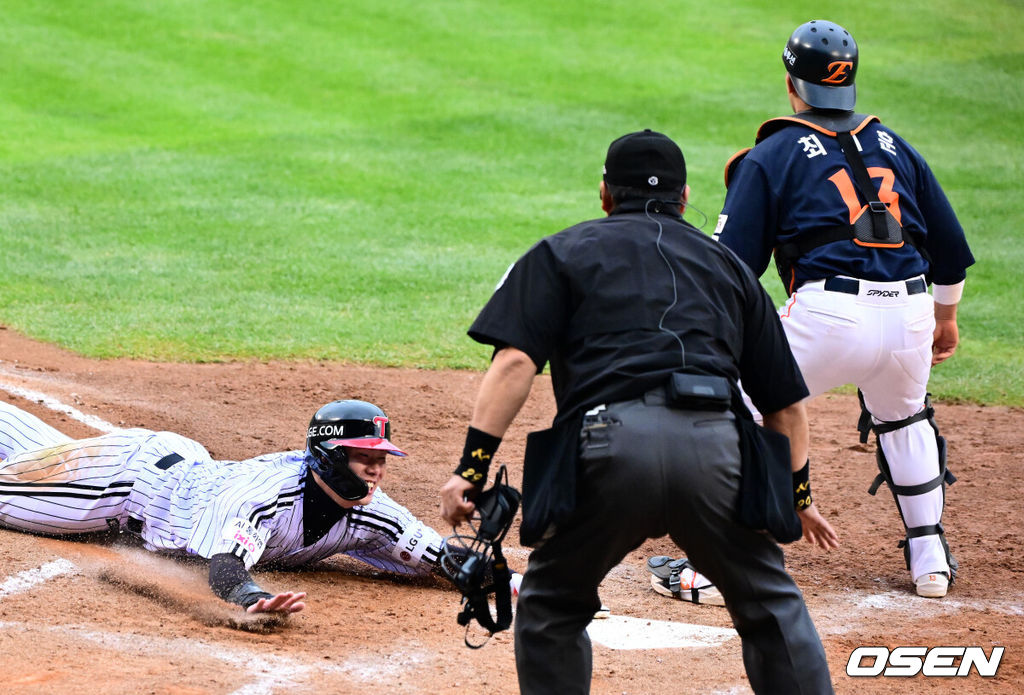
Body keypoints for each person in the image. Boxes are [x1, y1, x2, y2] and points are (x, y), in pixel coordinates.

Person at [440, 130, 837, 694]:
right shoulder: (730, 268)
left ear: (605, 193)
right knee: (771, 609)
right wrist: (798, 497)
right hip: (716, 452)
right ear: (684, 196)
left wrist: (472, 469)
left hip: (607, 451)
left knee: (553, 603)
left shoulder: (560, 252)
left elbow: (514, 365)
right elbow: (785, 408)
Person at [713, 20, 975, 598]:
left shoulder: (771, 154)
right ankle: (930, 564)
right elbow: (950, 253)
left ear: (792, 85)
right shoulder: (896, 145)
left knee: (732, 402)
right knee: (905, 420)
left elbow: (731, 268)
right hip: (910, 314)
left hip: (827, 316)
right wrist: (945, 317)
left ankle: (724, 563)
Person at [0, 398, 457, 615]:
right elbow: (226, 568)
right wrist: (252, 598)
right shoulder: (265, 495)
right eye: (366, 459)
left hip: (174, 462)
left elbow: (445, 559)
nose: (377, 471)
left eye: (381, 460)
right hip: (119, 485)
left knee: (38, 452)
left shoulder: (374, 512)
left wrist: (515, 582)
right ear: (333, 456)